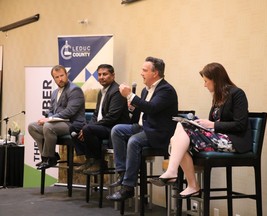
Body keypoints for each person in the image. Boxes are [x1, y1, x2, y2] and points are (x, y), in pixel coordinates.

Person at [150, 62, 252, 198]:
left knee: (181, 133)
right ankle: (191, 185)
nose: (204, 85)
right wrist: (202, 124)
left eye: (206, 81)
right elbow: (215, 123)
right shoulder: (218, 97)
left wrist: (212, 125)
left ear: (215, 80)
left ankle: (175, 174)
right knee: (180, 134)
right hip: (218, 137)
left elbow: (240, 125)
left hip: (233, 141)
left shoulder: (237, 94)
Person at [106, 56, 178, 201]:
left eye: (144, 70)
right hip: (143, 128)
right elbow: (143, 114)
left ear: (155, 73)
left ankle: (128, 187)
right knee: (117, 130)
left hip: (158, 133)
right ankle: (122, 172)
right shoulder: (146, 91)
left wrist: (131, 96)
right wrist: (133, 108)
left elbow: (152, 108)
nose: (141, 73)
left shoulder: (166, 90)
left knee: (134, 141)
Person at [70, 64, 130, 173]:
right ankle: (89, 159)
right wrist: (88, 126)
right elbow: (96, 114)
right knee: (74, 128)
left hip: (113, 127)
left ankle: (99, 162)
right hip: (101, 126)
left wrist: (89, 127)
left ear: (113, 76)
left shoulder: (117, 91)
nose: (101, 77)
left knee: (88, 129)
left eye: (105, 74)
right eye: (99, 75)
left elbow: (112, 117)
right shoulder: (101, 92)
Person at [28, 65, 86, 170]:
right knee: (32, 126)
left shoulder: (75, 90)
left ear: (66, 75)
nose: (60, 79)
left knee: (48, 126)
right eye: (57, 77)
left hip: (72, 124)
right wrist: (49, 118)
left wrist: (49, 119)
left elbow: (70, 112)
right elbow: (50, 110)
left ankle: (48, 158)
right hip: (57, 124)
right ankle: (49, 156)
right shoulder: (55, 93)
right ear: (54, 78)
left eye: (62, 75)